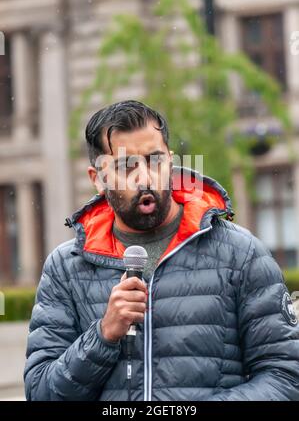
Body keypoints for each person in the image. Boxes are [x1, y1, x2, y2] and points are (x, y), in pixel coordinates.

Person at [24, 100, 299, 401]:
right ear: (98, 179)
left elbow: (285, 377)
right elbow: (41, 393)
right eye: (126, 166)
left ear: (170, 161)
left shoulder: (241, 253)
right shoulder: (66, 267)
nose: (144, 177)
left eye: (154, 160)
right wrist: (103, 335)